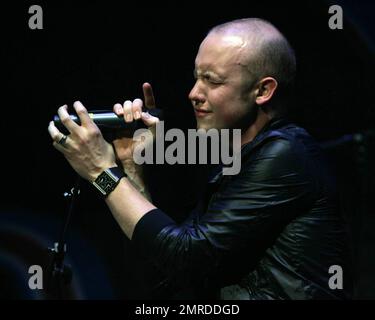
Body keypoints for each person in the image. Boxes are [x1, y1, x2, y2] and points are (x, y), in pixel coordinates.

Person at [48, 18, 353, 299]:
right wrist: (129, 166)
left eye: (213, 81)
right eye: (196, 78)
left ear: (263, 90)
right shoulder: (235, 161)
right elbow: (167, 272)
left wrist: (102, 170)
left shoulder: (285, 155)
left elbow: (187, 257)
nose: (194, 93)